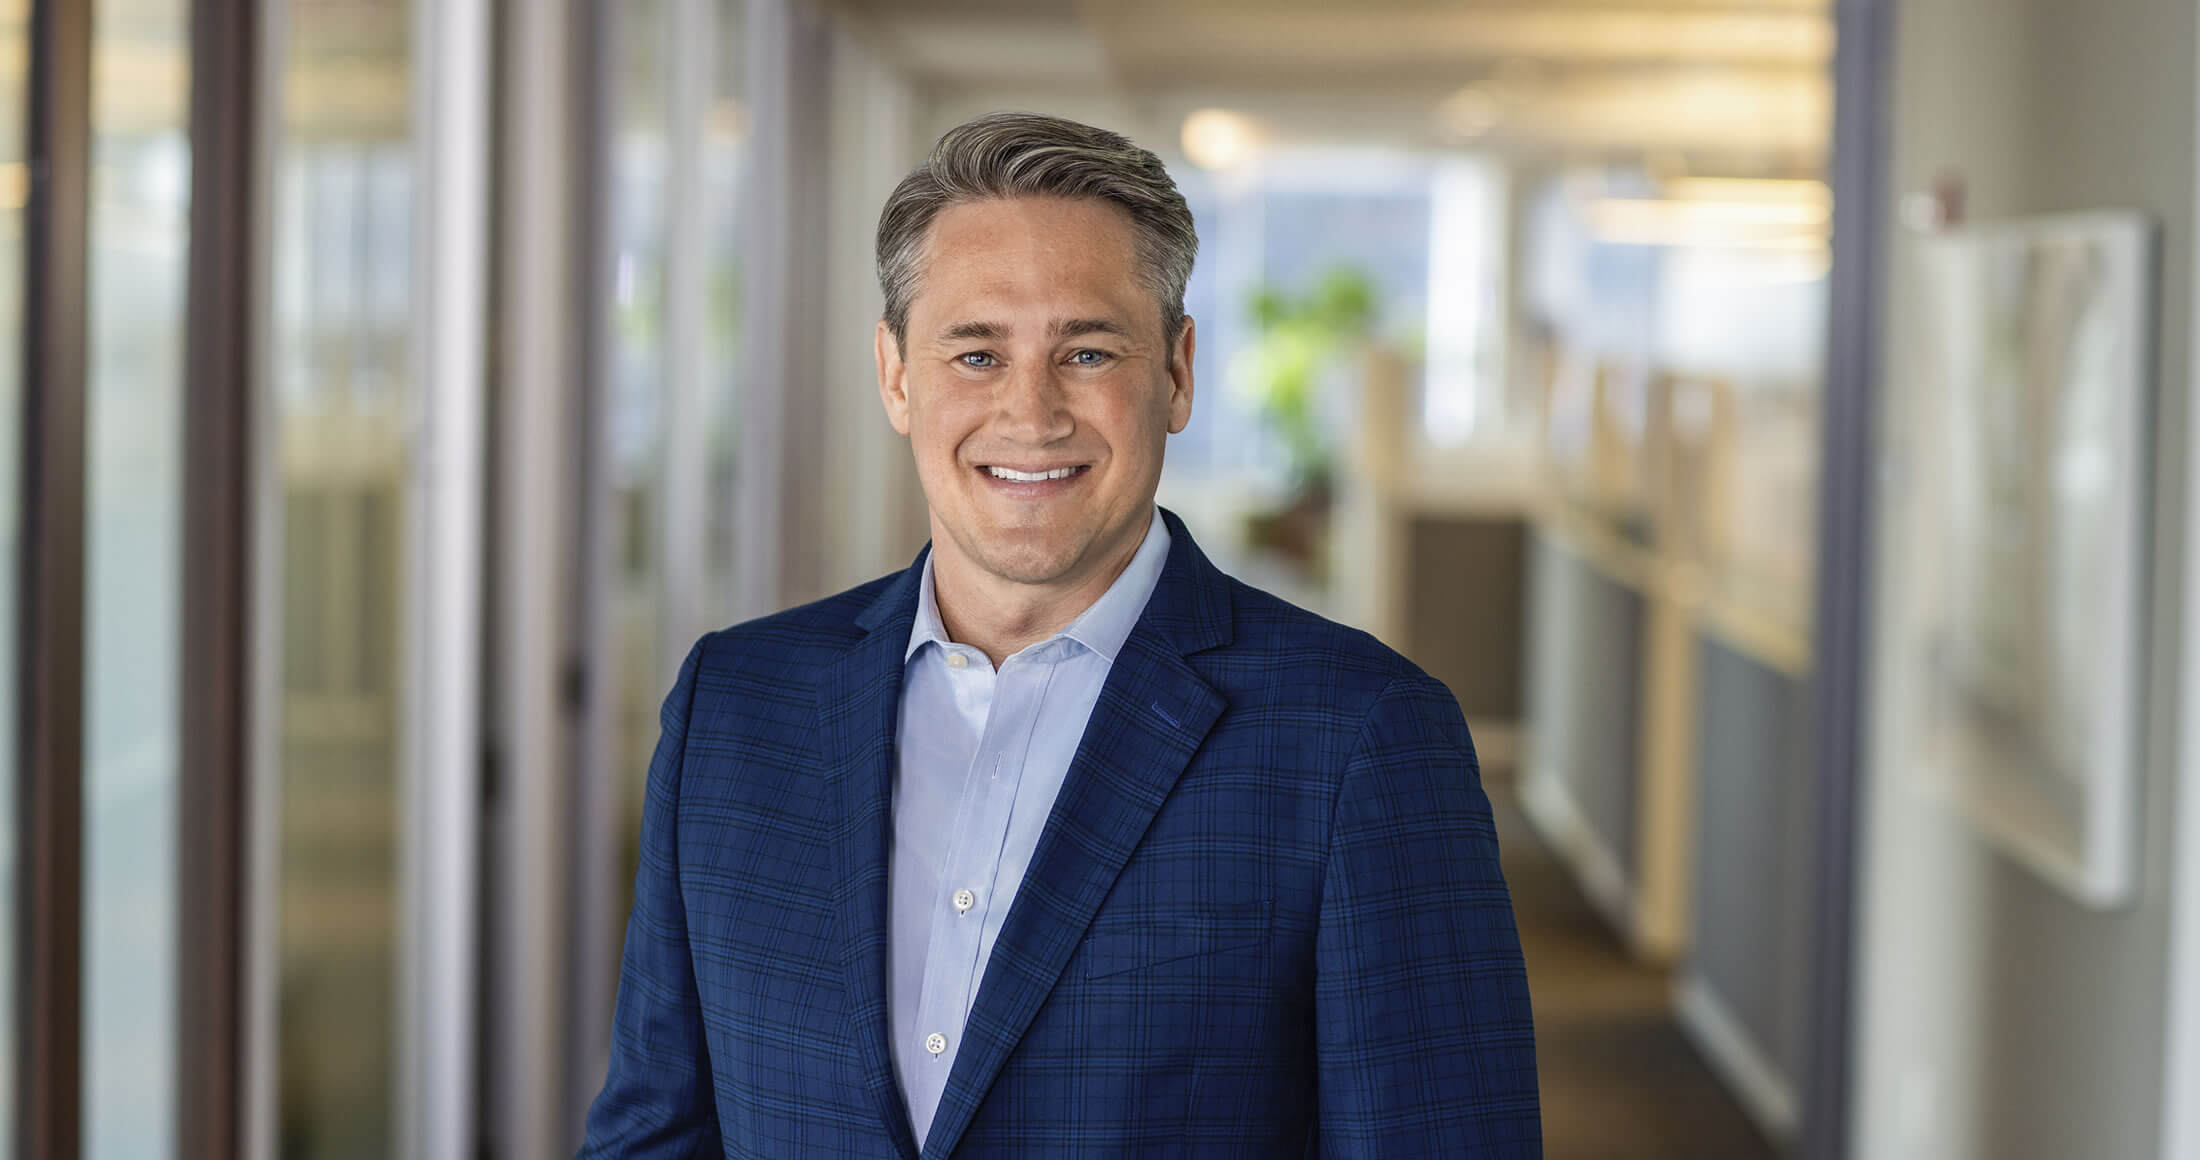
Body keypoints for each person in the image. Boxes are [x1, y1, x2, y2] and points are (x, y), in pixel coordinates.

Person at [580, 111, 1540, 1158]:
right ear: (897, 373)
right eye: (976, 352)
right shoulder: (735, 704)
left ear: (1175, 372)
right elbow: (654, 1131)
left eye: (1085, 350)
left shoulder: (1359, 737)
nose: (1030, 412)